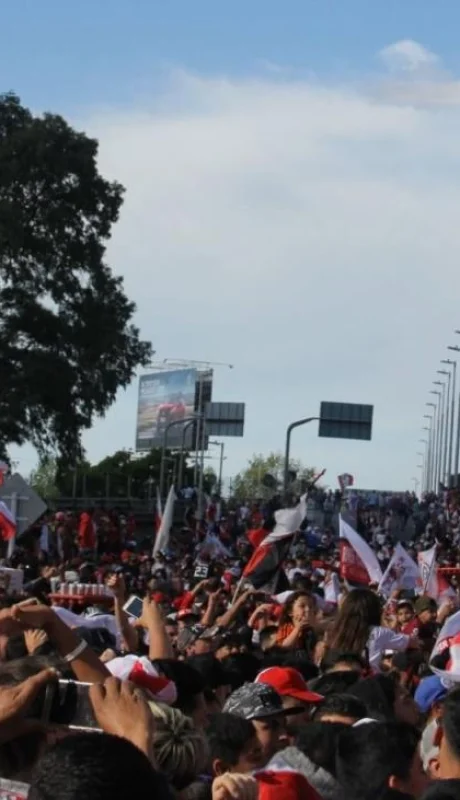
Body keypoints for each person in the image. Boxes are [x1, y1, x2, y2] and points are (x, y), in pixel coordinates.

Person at [327, 589, 417, 671]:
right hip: (370, 680)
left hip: (337, 676)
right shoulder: (378, 632)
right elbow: (413, 643)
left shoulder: (336, 630)